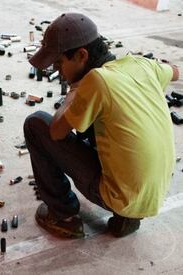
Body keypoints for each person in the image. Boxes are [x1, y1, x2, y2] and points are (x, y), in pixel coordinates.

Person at [24, 12, 180, 238]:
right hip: (153, 193)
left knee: (36, 124)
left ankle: (63, 216)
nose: (58, 72)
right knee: (101, 124)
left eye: (59, 62)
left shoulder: (96, 80)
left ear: (81, 55)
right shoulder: (141, 64)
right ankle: (128, 217)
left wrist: (74, 90)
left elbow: (56, 132)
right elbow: (175, 71)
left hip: (122, 197)